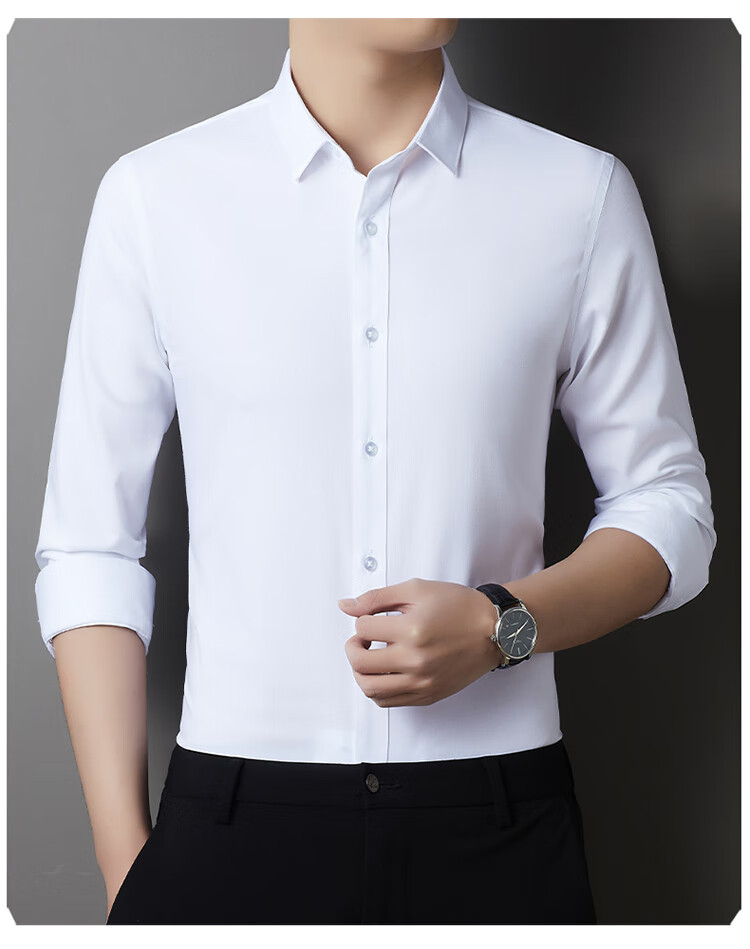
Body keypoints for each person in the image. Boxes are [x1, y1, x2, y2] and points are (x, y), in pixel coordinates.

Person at [33, 18, 716, 925]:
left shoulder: (577, 192)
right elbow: (89, 548)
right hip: (229, 825)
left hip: (499, 825)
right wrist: (130, 872)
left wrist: (502, 623)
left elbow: (669, 506)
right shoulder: (156, 198)